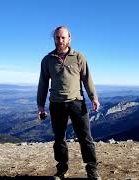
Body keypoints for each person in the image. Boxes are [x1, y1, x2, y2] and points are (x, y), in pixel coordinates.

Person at [37, 26, 101, 180]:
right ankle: (61, 170)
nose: (60, 40)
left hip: (77, 103)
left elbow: (87, 79)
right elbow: (43, 83)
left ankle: (92, 170)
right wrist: (40, 105)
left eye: (63, 37)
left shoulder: (78, 57)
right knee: (59, 138)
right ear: (54, 39)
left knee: (85, 137)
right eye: (57, 37)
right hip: (56, 103)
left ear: (69, 38)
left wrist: (94, 97)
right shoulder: (47, 60)